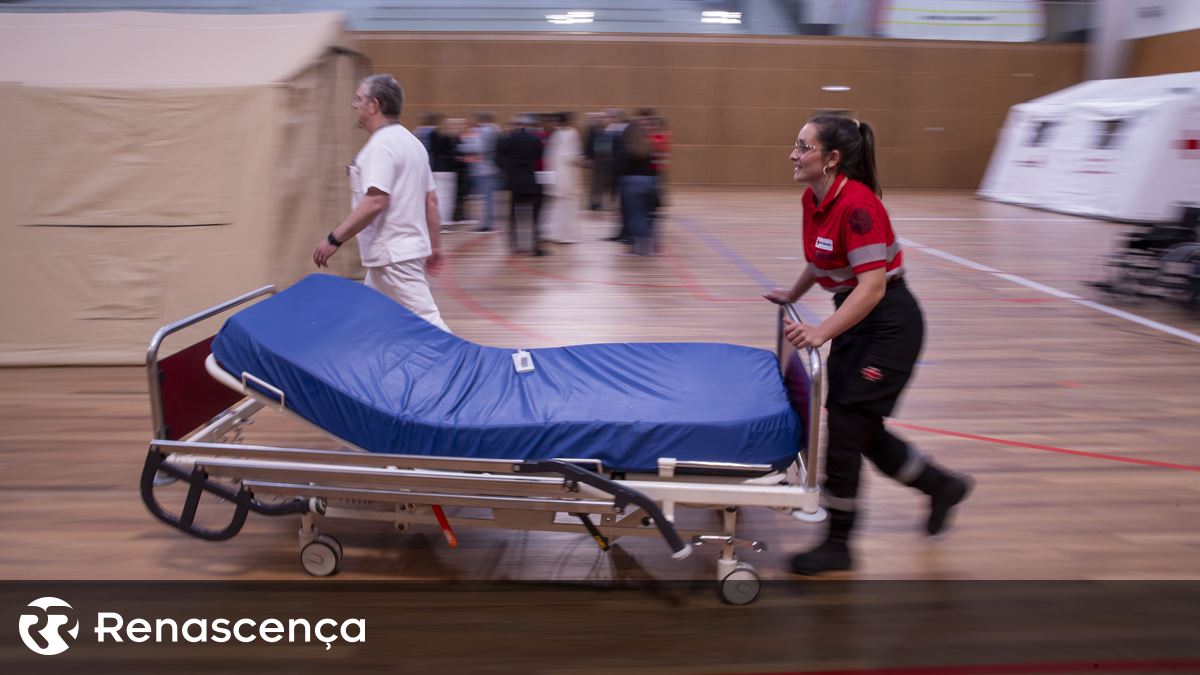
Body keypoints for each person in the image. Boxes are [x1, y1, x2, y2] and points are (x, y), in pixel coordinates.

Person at [763, 114, 971, 575]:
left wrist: (821, 331)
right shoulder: (813, 197)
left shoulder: (857, 207)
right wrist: (793, 295)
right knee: (862, 431)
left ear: (832, 159)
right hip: (857, 318)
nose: (793, 155)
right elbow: (820, 258)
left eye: (803, 147)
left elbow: (873, 287)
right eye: (795, 145)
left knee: (846, 432)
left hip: (888, 326)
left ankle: (838, 543)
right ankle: (941, 486)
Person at [312, 74, 449, 332]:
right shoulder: (413, 143)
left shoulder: (381, 146)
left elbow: (375, 201)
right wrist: (435, 246)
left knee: (430, 325)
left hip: (393, 256)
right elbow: (431, 200)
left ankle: (465, 367)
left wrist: (334, 239)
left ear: (374, 105)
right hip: (393, 255)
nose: (355, 104)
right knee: (370, 322)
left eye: (359, 99)